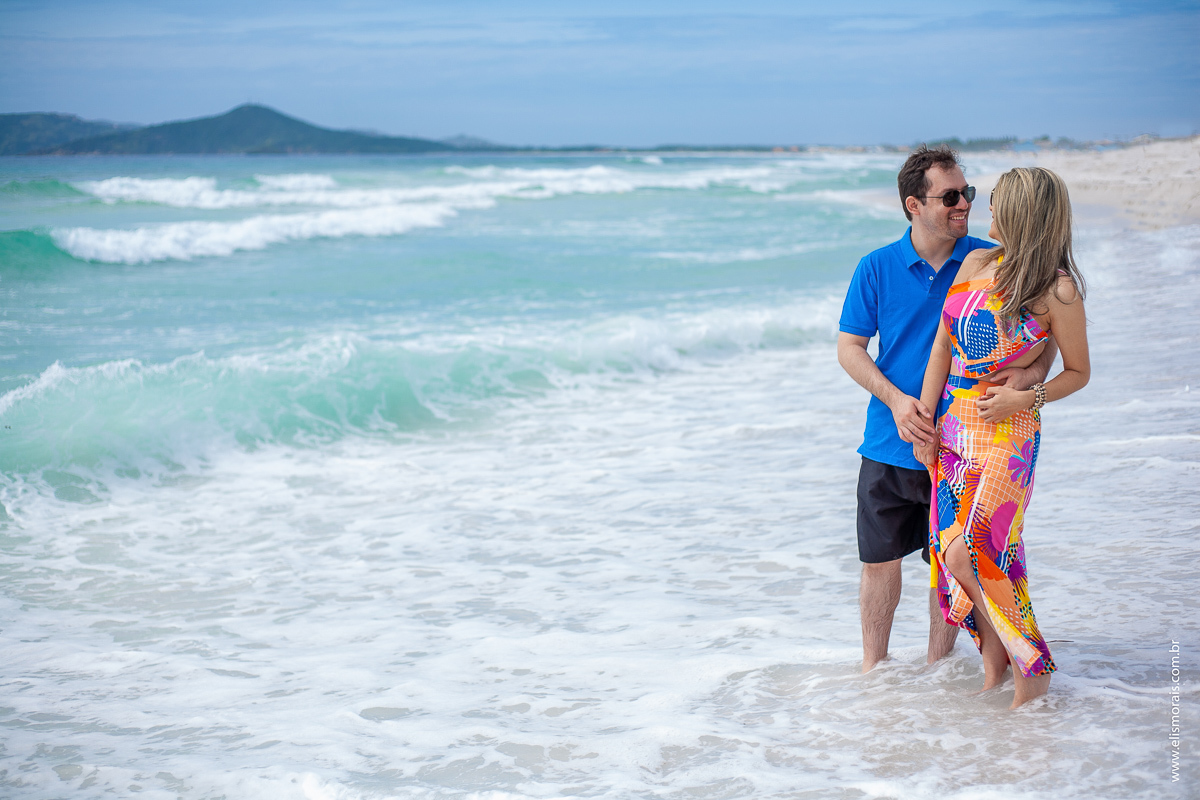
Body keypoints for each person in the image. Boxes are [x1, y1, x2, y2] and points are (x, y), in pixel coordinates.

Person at [837, 145, 1056, 674]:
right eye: (952, 196)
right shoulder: (876, 267)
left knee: (950, 566)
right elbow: (850, 347)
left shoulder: (991, 260)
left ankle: (938, 674)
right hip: (891, 440)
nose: (965, 205)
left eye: (969, 194)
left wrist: (1028, 378)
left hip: (965, 444)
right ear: (914, 204)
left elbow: (1045, 335)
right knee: (879, 564)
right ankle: (874, 675)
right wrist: (895, 401)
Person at [913, 166, 1089, 708]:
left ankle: (1031, 667)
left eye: (997, 203)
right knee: (951, 557)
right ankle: (995, 664)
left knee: (979, 551)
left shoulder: (1057, 288)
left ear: (1023, 214)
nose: (985, 210)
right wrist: (927, 419)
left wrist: (1027, 393)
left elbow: (1078, 372)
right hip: (954, 430)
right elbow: (943, 345)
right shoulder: (978, 261)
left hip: (1009, 432)